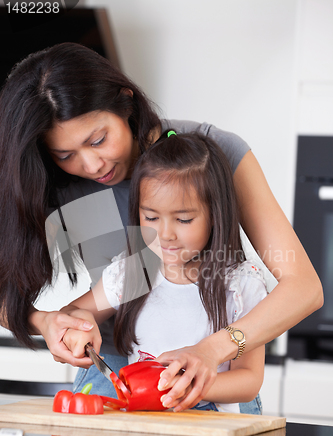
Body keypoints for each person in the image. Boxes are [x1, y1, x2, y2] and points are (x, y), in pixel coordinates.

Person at [0, 43, 323, 411]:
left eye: (98, 139)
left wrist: (211, 350)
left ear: (126, 102)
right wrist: (44, 322)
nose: (90, 165)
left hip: (211, 375)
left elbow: (304, 288)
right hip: (116, 377)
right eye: (66, 155)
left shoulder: (211, 153)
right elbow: (79, 309)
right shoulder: (44, 179)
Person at [59, 131, 267, 413]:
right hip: (143, 427)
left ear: (215, 214)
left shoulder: (241, 285)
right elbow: (74, 312)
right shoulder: (131, 271)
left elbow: (249, 381)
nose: (165, 234)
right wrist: (78, 326)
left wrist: (185, 388)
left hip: (209, 431)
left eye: (183, 219)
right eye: (151, 217)